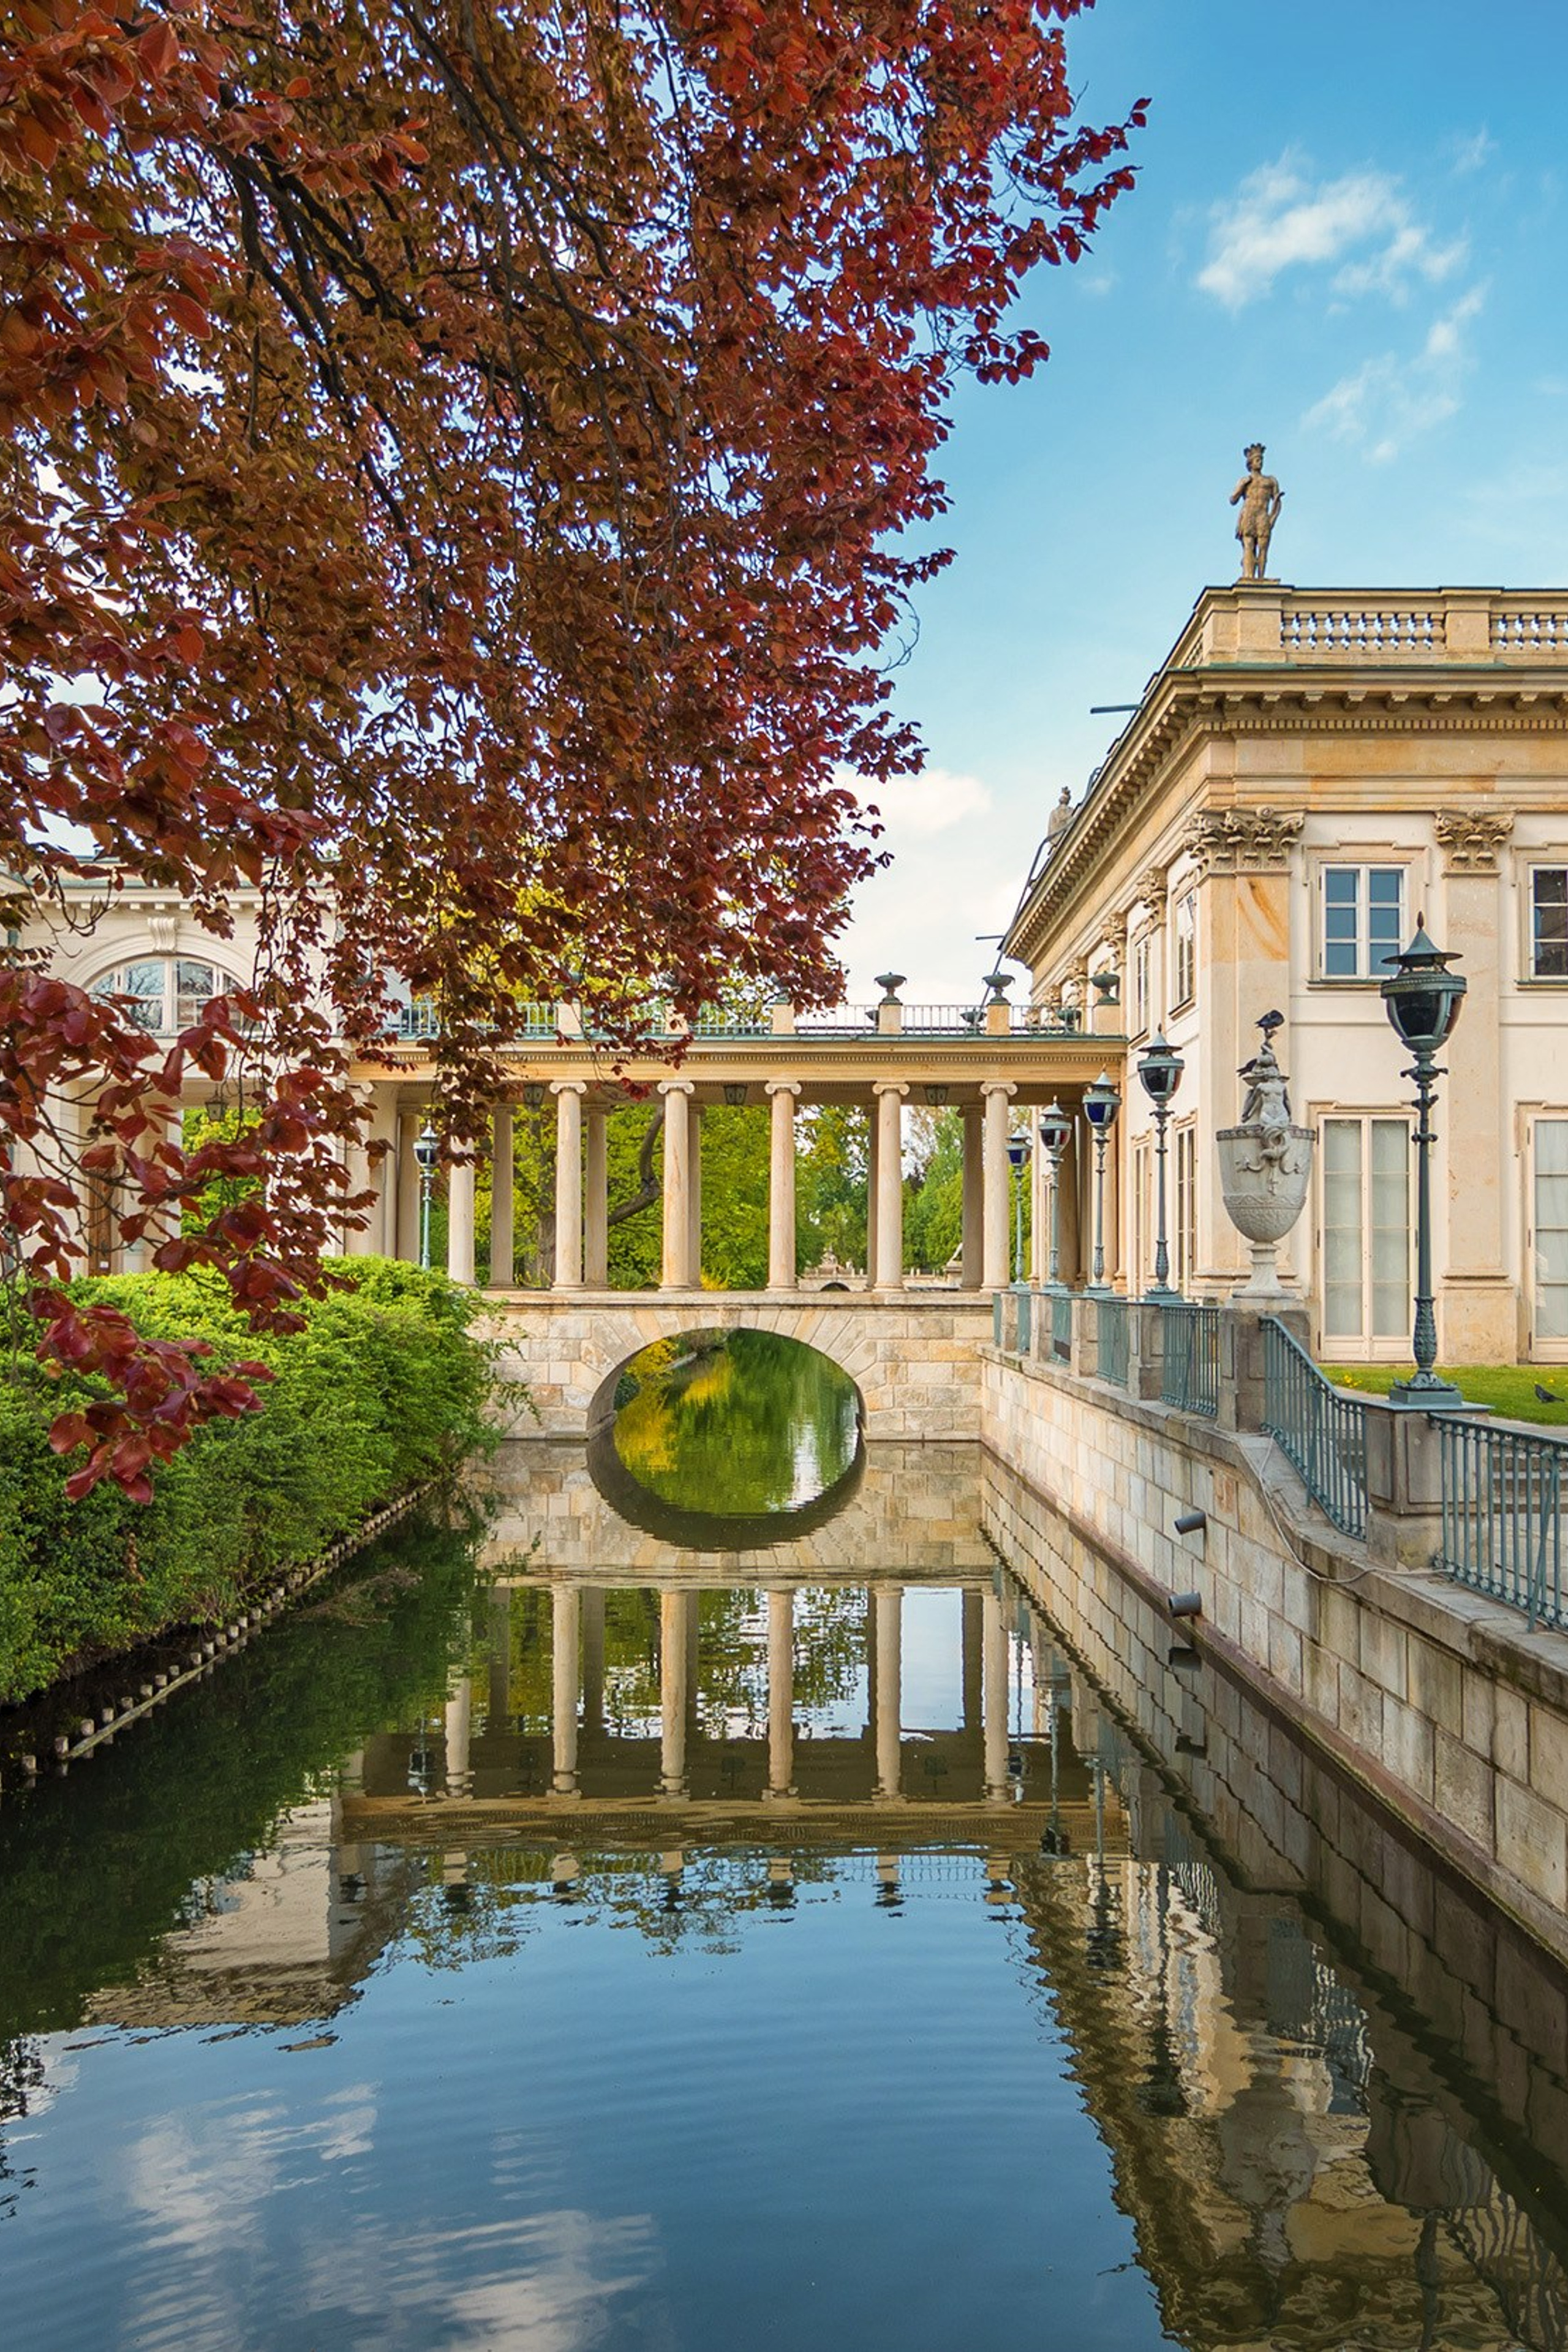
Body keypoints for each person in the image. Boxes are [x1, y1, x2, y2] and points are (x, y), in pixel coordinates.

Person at [1230, 443, 1283, 580]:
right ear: (1250, 463)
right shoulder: (1245, 480)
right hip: (1249, 514)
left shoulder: (1270, 481)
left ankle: (1261, 578)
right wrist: (1242, 486)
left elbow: (1277, 501)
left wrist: (1273, 518)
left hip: (1263, 515)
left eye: (1261, 460)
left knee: (1263, 547)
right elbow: (1233, 499)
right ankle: (1248, 576)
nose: (1260, 463)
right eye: (1257, 460)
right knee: (1249, 544)